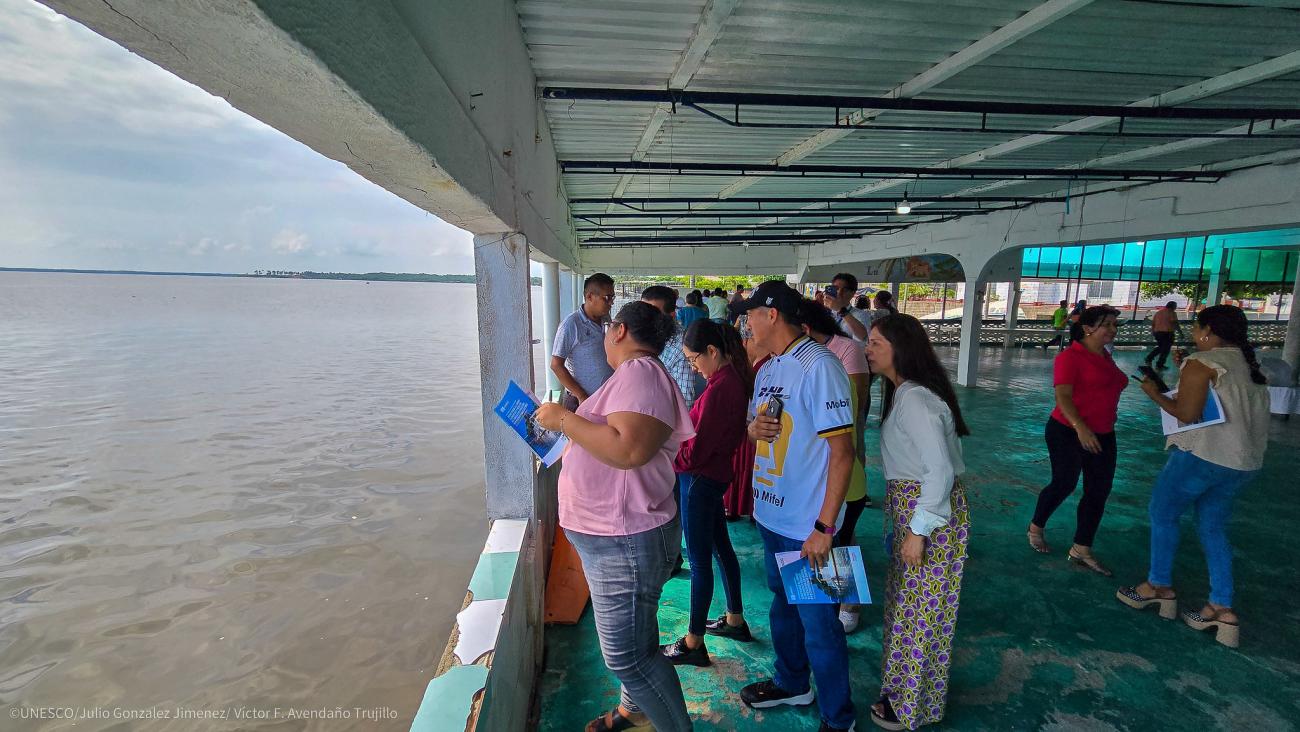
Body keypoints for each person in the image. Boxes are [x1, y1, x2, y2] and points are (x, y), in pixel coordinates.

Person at [534, 301, 694, 732]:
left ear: (619, 331)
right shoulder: (633, 376)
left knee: (628, 656)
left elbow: (628, 450)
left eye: (607, 330)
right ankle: (634, 709)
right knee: (637, 640)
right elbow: (610, 439)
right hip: (615, 534)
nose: (603, 337)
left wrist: (564, 418)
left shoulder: (642, 374)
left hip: (624, 536)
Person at [734, 282, 857, 732]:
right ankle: (791, 682)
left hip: (810, 524)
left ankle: (839, 718)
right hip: (771, 515)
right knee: (782, 605)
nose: (745, 321)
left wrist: (826, 526)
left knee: (820, 624)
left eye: (751, 314)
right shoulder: (768, 369)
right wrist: (752, 430)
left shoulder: (819, 367)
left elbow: (843, 452)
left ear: (771, 315)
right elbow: (755, 429)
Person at [1117, 305, 1270, 648]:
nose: (1195, 334)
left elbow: (1186, 414)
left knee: (1163, 513)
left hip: (1204, 457)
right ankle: (1221, 608)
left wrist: (1154, 393)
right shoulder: (1248, 363)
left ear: (1209, 331)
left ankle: (1158, 587)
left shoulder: (1201, 364)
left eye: (1198, 328)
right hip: (1242, 464)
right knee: (1213, 527)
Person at [864, 313, 971, 732]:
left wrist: (918, 531)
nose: (868, 350)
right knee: (907, 608)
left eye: (875, 343)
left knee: (923, 614)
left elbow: (940, 471)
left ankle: (911, 707)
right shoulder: (903, 394)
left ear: (900, 349)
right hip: (913, 510)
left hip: (929, 517)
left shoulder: (917, 401)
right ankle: (902, 691)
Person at [661, 319, 756, 666]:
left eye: (693, 359)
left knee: (700, 562)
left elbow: (695, 451)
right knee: (721, 549)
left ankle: (693, 641)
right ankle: (734, 619)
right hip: (712, 477)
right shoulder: (729, 380)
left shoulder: (720, 390)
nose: (692, 366)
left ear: (712, 352)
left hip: (699, 480)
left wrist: (668, 451)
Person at [1027, 305, 1126, 576]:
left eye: (1115, 325)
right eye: (1107, 324)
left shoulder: (1105, 356)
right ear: (1087, 328)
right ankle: (1036, 526)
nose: (1112, 330)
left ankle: (1082, 547)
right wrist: (1080, 427)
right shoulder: (1070, 358)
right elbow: (1064, 397)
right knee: (1065, 482)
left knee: (1098, 491)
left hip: (1104, 433)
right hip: (1067, 430)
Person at [798, 299, 873, 633]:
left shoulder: (832, 365)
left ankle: (849, 603)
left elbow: (851, 414)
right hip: (820, 473)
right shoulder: (805, 364)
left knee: (841, 540)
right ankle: (830, 604)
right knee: (835, 537)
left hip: (843, 472)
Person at [551, 273, 616, 410]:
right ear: (589, 296)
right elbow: (556, 365)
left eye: (612, 297)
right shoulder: (571, 324)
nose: (611, 302)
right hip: (582, 402)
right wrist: (581, 396)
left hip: (606, 399)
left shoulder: (606, 319)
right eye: (607, 298)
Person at [643, 285, 696, 406]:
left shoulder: (682, 347)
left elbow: (685, 401)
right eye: (643, 311)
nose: (645, 318)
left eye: (654, 313)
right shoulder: (643, 335)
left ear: (671, 316)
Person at [828, 272, 870, 341]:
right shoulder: (826, 312)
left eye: (845, 290)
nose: (839, 293)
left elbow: (863, 338)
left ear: (853, 293)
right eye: (836, 288)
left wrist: (841, 310)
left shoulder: (861, 315)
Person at [1144, 301, 1180, 370]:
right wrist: (1180, 332)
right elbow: (1175, 323)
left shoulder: (1158, 313)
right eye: (1175, 306)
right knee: (1165, 350)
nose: (1176, 308)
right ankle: (1158, 364)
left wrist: (1153, 332)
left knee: (1161, 347)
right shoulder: (1172, 313)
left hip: (1158, 333)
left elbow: (1153, 323)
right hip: (1167, 333)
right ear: (1173, 306)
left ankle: (1150, 358)